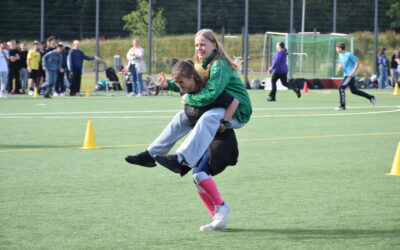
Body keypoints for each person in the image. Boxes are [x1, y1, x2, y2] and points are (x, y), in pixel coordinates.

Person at [127, 60, 240, 231]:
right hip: (203, 142)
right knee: (197, 177)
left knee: (200, 174)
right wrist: (168, 84)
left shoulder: (209, 91)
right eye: (177, 82)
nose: (179, 86)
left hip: (222, 141)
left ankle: (221, 206)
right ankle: (218, 218)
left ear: (193, 77)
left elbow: (234, 101)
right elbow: (179, 93)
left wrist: (224, 121)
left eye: (181, 82)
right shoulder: (186, 91)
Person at [125, 28, 251, 177]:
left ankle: (181, 159)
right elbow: (192, 84)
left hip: (237, 111)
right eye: (196, 45)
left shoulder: (219, 65)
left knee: (208, 117)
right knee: (181, 117)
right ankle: (150, 155)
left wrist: (188, 99)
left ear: (214, 46)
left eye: (203, 44)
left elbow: (211, 94)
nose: (199, 48)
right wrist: (169, 84)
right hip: (219, 106)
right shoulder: (204, 64)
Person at [335, 42, 375, 111]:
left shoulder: (349, 55)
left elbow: (357, 62)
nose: (336, 49)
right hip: (346, 75)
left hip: (350, 75)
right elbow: (340, 62)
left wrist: (352, 72)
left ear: (340, 48)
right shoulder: (340, 55)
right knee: (354, 91)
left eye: (336, 48)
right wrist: (339, 67)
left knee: (341, 88)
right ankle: (371, 97)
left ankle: (342, 106)